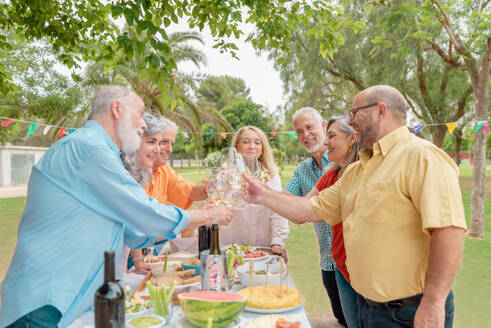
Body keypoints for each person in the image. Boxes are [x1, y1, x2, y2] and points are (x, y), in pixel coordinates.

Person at [0, 85, 232, 328]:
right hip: (46, 300)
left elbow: (134, 231)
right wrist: (205, 215)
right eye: (140, 114)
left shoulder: (98, 151)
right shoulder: (88, 148)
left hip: (69, 298)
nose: (143, 124)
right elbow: (144, 212)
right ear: (117, 109)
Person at [242, 85, 467, 327]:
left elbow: (448, 232)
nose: (350, 120)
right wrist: (261, 195)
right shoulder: (358, 168)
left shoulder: (422, 156)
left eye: (355, 112)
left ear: (381, 111)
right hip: (369, 308)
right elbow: (308, 210)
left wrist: (433, 303)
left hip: (410, 313)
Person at [117, 113, 231, 279]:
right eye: (160, 142)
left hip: (146, 246)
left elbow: (189, 192)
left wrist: (209, 188)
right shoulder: (128, 172)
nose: (167, 148)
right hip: (129, 251)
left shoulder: (162, 169)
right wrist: (205, 216)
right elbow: (138, 222)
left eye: (171, 143)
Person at [283, 107, 346, 325]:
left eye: (309, 127)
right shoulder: (303, 170)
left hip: (352, 261)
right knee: (341, 319)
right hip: (328, 263)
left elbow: (301, 212)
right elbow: (285, 201)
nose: (305, 135)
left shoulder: (345, 161)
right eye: (299, 131)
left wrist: (297, 211)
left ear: (323, 126)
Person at [306, 115, 360, 328]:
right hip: (341, 266)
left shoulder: (368, 172)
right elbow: (302, 207)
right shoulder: (330, 177)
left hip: (366, 269)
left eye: (331, 136)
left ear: (352, 138)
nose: (325, 143)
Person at [219, 126, 289, 258]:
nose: (252, 146)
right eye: (246, 142)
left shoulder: (272, 176)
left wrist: (278, 241)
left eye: (257, 142)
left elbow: (278, 211)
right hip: (232, 247)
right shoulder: (225, 175)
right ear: (236, 147)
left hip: (263, 248)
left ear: (262, 149)